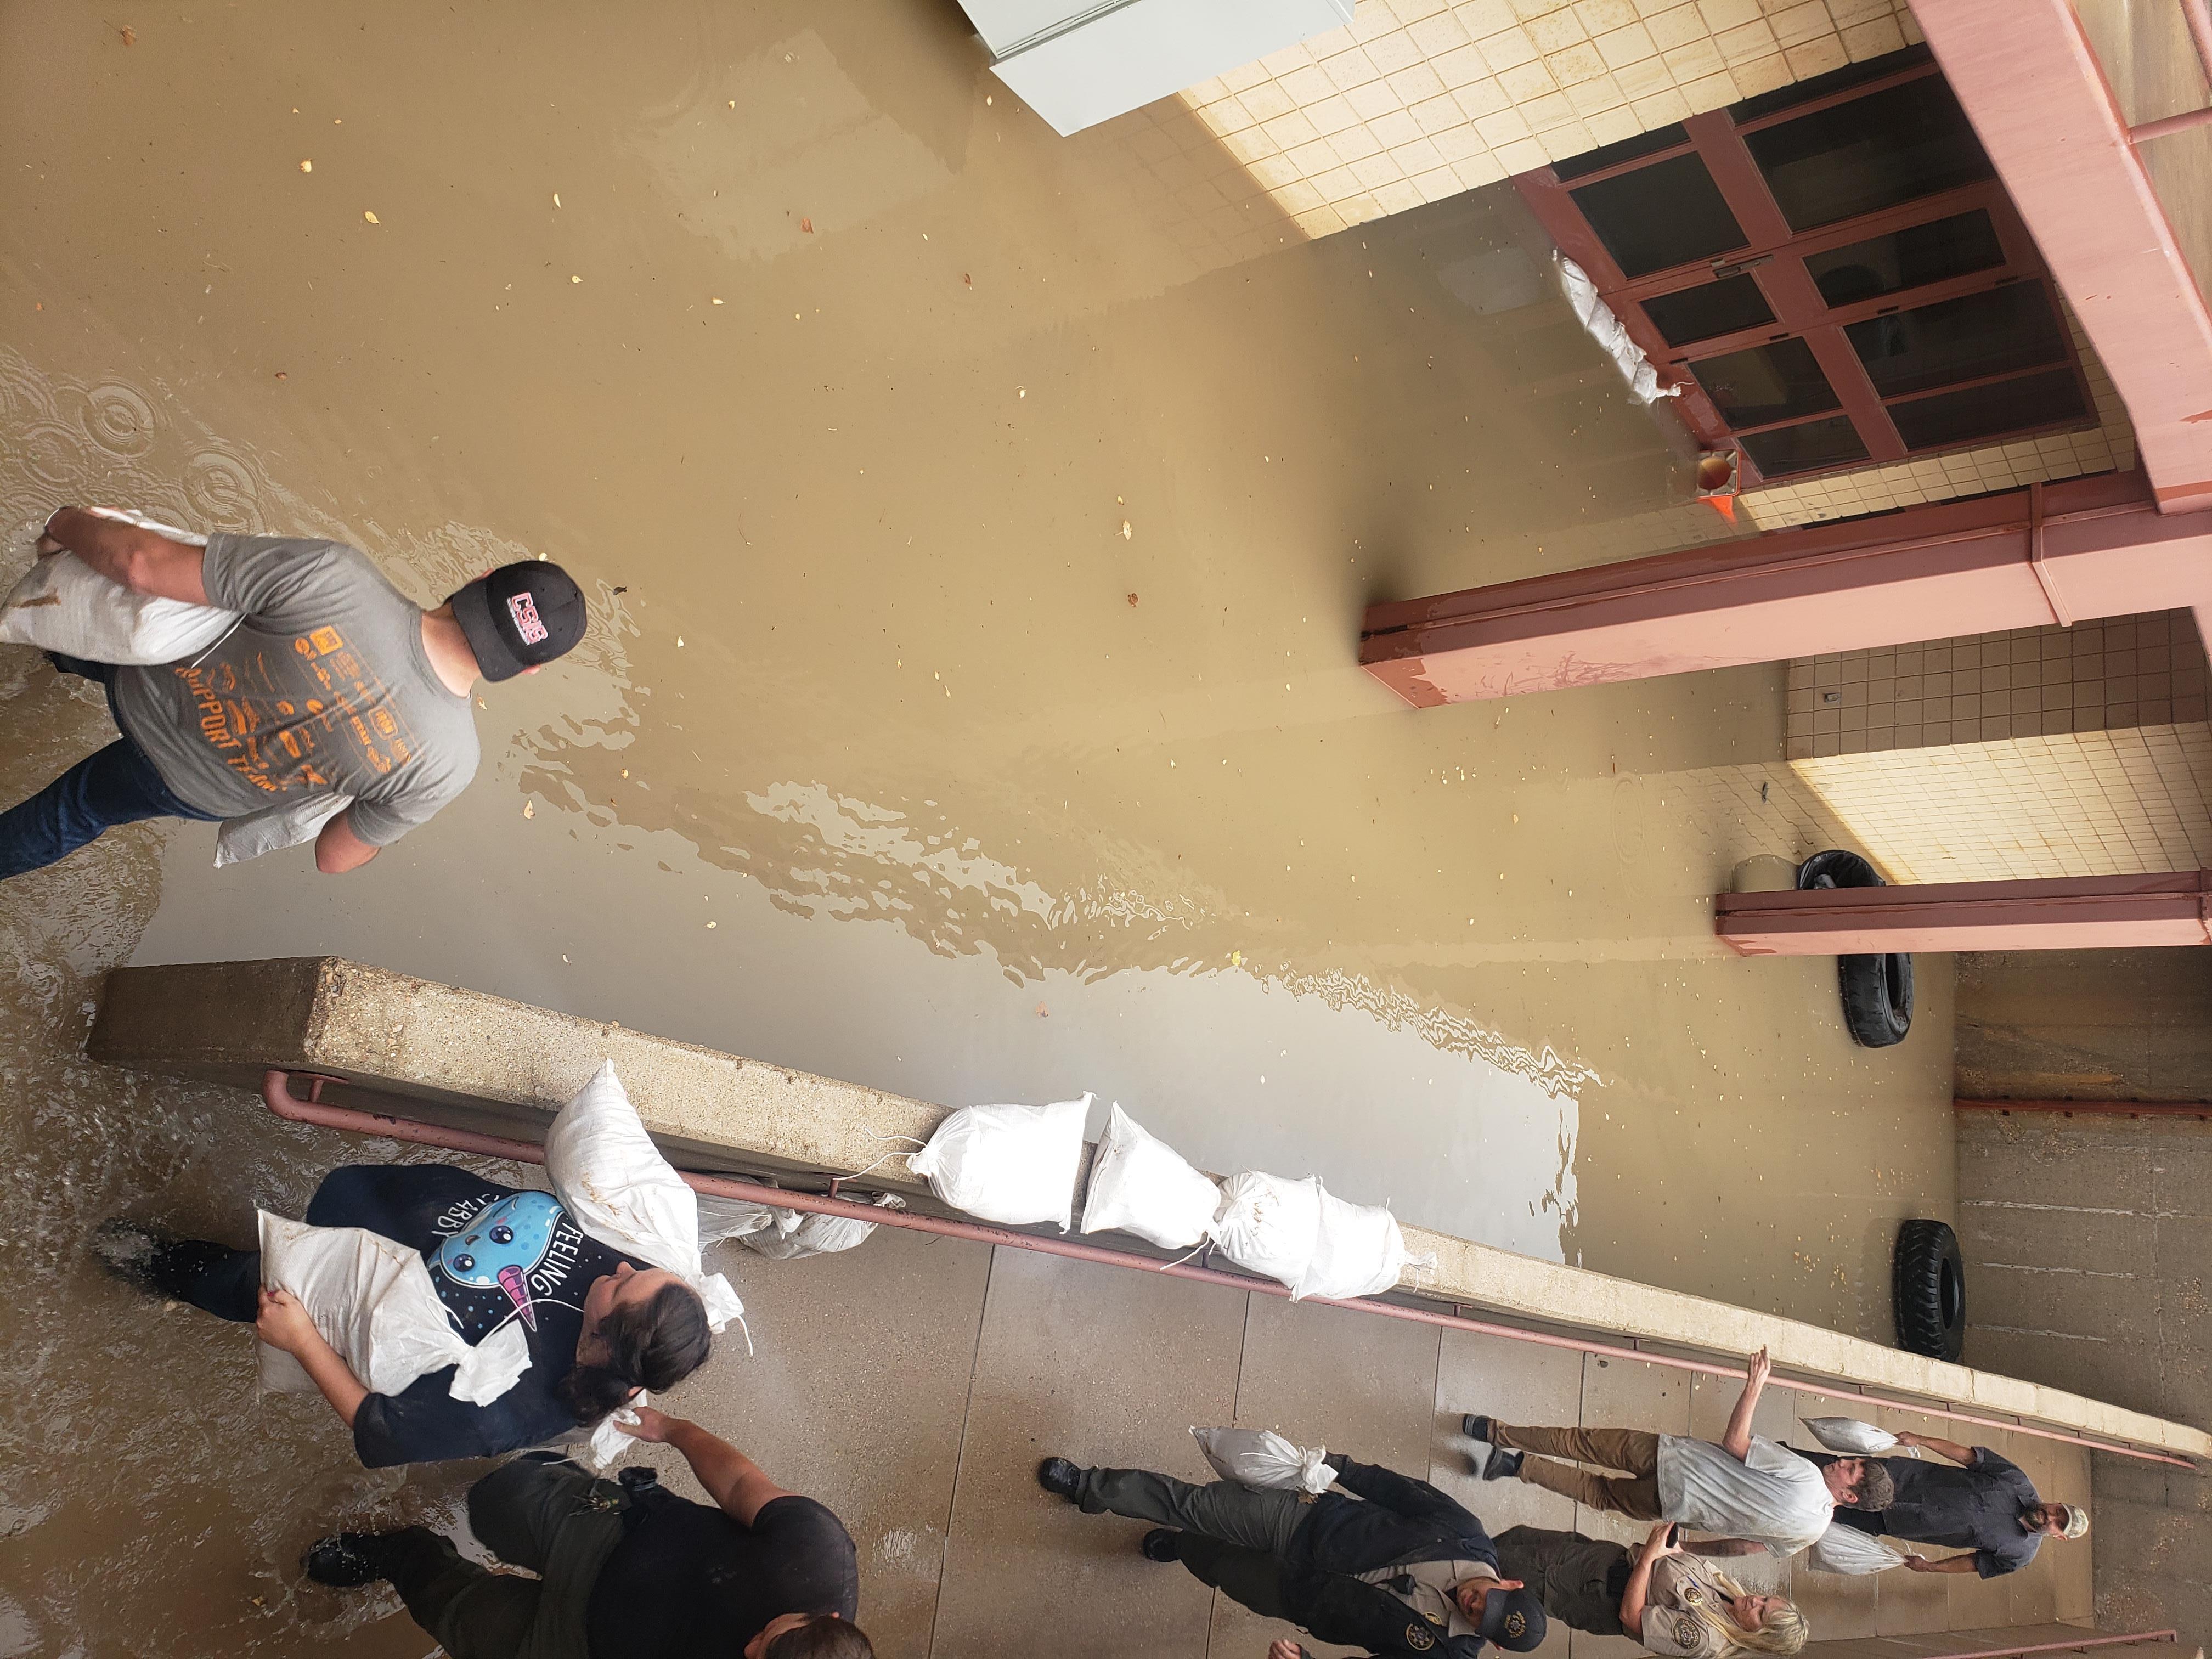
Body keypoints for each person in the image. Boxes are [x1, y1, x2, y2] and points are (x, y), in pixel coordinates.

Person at [2, 505, 585, 879]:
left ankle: (44, 656)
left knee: (76, 637)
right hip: (185, 785)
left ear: (481, 579)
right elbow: (333, 858)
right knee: (74, 810)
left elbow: (138, 566)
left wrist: (66, 522)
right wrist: (380, 823)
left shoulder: (336, 576)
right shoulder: (447, 766)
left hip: (142, 681)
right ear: (528, 670)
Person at [99, 1163, 710, 1465]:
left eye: (624, 1286)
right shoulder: (635, 1287)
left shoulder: (513, 1410)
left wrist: (303, 1340)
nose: (623, 1268)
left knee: (236, 1281)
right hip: (379, 1225)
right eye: (636, 1270)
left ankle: (138, 1260)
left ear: (602, 1340)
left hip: (333, 1302)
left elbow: (383, 1427)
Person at [304, 1407, 871, 1659]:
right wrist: (672, 1429)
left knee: (449, 1612)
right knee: (492, 1501)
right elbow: (742, 1481)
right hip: (610, 1536)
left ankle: (397, 1555)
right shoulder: (818, 1556)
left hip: (579, 1648)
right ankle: (553, 1472)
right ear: (828, 1617)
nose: (747, 1648)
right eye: (768, 1637)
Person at [1036, 1448, 1549, 1658]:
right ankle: (1090, 1488)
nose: (1476, 1606)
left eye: (1483, 1620)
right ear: (1510, 1583)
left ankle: (1184, 1547)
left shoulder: (1450, 1655)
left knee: (1213, 1564)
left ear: (1491, 1644)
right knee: (1195, 1503)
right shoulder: (1464, 1532)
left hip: (1298, 1596)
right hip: (1306, 1524)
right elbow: (1400, 1491)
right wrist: (1340, 1467)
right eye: (1490, 1599)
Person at [1463, 1347, 1896, 1555]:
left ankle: (1498, 1432)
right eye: (1854, 1459)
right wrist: (1687, 1548)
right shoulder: (1809, 1536)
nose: (1842, 1461)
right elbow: (1743, 1549)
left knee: (1582, 1443)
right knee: (1596, 1493)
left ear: (1851, 1495)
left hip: (1670, 1458)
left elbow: (1736, 1443)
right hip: (1672, 1505)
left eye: (1852, 1469)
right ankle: (1516, 1466)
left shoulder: (1805, 1475)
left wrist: (1755, 1385)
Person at [1494, 1521, 1809, 1656]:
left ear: (1759, 1636)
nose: (1756, 1600)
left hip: (1592, 1592)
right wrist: (1669, 1539)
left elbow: (1632, 1617)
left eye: (1762, 1611)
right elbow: (1680, 1559)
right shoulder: (1732, 1593)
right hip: (1604, 1558)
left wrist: (1648, 1558)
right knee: (1518, 1539)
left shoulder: (1705, 1640)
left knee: (1504, 1570)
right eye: (1766, 1598)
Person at [1797, 1431, 2085, 1577]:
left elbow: (1973, 1564)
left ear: (2059, 1536)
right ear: (2056, 1503)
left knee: (1817, 1509)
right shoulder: (2017, 1481)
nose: (2051, 1517)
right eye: (2058, 1511)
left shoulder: (2020, 1554)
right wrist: (1919, 1439)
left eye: (2058, 1523)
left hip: (1894, 1520)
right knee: (1816, 1467)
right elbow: (1966, 1457)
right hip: (1895, 1476)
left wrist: (1930, 1567)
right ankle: (1763, 1454)